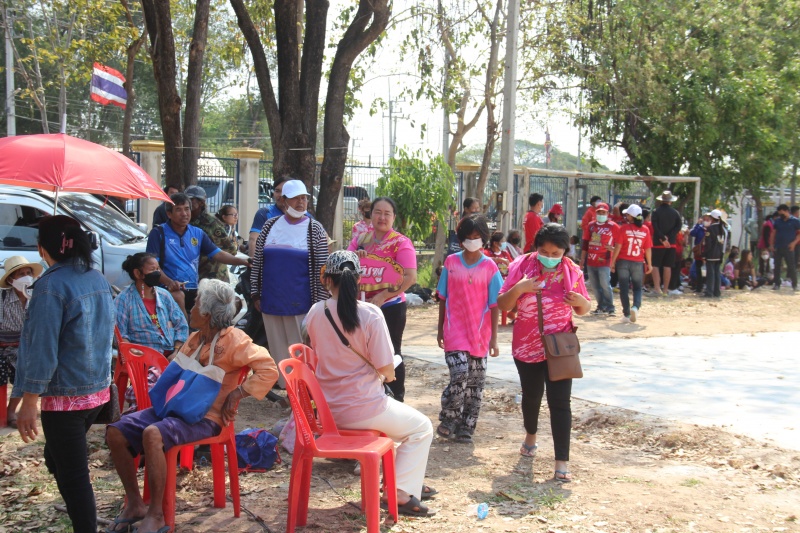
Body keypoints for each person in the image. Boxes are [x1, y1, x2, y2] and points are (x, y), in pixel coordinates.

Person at [106, 279, 279, 533]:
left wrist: (237, 393)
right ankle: (134, 504)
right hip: (173, 408)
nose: (191, 308)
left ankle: (157, 514)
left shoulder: (235, 341)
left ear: (207, 314)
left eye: (196, 304)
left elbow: (269, 369)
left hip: (207, 418)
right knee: (115, 432)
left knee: (153, 434)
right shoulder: (196, 338)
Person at [303, 251, 435, 517]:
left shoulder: (315, 312)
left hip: (328, 412)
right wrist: (386, 373)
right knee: (421, 428)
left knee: (405, 426)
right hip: (364, 408)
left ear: (327, 279)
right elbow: (386, 369)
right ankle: (400, 492)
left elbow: (313, 350)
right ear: (358, 279)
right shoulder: (370, 314)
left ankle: (404, 481)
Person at [12, 216, 115, 533]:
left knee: (73, 475)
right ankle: (81, 514)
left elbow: (42, 349)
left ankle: (85, 525)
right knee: (59, 461)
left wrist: (29, 401)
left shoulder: (50, 287)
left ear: (41, 249)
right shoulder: (96, 278)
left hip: (66, 397)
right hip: (96, 392)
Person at [497, 223, 590, 482]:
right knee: (532, 396)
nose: (549, 257)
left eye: (555, 253)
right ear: (536, 248)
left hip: (560, 348)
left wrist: (581, 302)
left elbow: (584, 308)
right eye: (544, 252)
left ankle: (562, 463)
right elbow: (502, 303)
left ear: (565, 251)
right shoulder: (521, 266)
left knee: (560, 403)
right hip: (526, 346)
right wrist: (520, 288)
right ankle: (531, 436)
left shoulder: (572, 270)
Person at [251, 180, 328, 388]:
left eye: (304, 198)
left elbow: (322, 269)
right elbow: (258, 262)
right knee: (279, 354)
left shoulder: (315, 229)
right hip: (271, 302)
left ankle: (306, 392)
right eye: (296, 198)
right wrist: (256, 293)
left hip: (302, 304)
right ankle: (289, 393)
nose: (301, 202)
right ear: (284, 200)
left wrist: (319, 304)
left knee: (302, 352)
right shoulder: (270, 226)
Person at [436, 215, 502, 443]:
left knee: (475, 382)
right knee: (460, 373)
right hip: (454, 330)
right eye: (468, 237)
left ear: (484, 238)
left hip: (480, 333)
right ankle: (449, 417)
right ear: (461, 238)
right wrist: (440, 329)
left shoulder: (490, 267)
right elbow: (442, 297)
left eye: (477, 237)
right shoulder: (451, 263)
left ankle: (467, 426)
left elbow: (495, 304)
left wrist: (494, 339)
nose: (472, 241)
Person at [347, 197, 417, 401]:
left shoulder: (401, 243)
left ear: (394, 217)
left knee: (391, 352)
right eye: (378, 212)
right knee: (363, 352)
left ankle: (396, 398)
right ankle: (369, 396)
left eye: (387, 213)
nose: (382, 217)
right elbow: (344, 266)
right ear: (371, 214)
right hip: (361, 307)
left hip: (390, 307)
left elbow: (410, 277)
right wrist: (355, 258)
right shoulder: (361, 240)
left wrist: (383, 296)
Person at [146, 193, 249, 317]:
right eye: (178, 210)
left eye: (187, 209)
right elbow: (152, 266)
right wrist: (169, 283)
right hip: (168, 290)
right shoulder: (158, 233)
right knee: (181, 313)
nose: (184, 213)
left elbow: (218, 254)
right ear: (169, 214)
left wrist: (244, 261)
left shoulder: (197, 233)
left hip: (194, 288)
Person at [115, 253, 188, 355]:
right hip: (143, 359)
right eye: (152, 269)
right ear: (137, 273)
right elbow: (120, 335)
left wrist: (176, 352)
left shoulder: (164, 296)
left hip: (172, 357)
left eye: (158, 269)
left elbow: (181, 326)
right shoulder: (123, 300)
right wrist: (138, 355)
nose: (157, 273)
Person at [0, 256, 43, 428]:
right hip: (4, 346)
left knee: (27, 367)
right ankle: (6, 412)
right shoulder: (2, 298)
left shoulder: (36, 297)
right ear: (11, 280)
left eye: (28, 273)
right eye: (21, 274)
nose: (26, 277)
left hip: (26, 346)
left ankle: (12, 410)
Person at [185, 185, 239, 282]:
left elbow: (231, 249)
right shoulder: (185, 221)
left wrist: (209, 253)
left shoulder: (211, 224)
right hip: (193, 276)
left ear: (201, 202)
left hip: (214, 277)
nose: (187, 203)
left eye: (191, 200)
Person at [610, 204, 652, 323]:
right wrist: (650, 264)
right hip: (638, 262)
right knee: (637, 288)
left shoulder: (623, 228)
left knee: (624, 288)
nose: (626, 216)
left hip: (623, 262)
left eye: (627, 214)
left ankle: (627, 314)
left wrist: (613, 262)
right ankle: (635, 307)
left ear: (631, 216)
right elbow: (648, 248)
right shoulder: (645, 229)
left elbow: (618, 246)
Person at [581, 202, 618, 315]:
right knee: (595, 286)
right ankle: (601, 306)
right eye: (599, 212)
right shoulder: (591, 225)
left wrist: (613, 249)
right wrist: (582, 259)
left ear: (608, 213)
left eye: (603, 212)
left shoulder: (613, 226)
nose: (601, 214)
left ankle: (610, 307)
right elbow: (585, 243)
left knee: (605, 284)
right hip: (591, 260)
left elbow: (620, 243)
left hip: (605, 260)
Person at [650, 190, 683, 295]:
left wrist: (662, 238)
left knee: (655, 265)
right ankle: (665, 290)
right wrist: (668, 237)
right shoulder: (675, 213)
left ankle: (657, 288)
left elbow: (655, 226)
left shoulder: (656, 212)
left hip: (658, 242)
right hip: (671, 243)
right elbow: (678, 226)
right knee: (667, 266)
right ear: (671, 201)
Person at [769, 204, 800, 291]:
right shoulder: (778, 221)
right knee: (777, 266)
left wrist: (794, 243)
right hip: (778, 246)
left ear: (786, 211)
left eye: (782, 213)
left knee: (791, 266)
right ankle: (777, 284)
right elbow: (773, 233)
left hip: (789, 247)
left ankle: (794, 284)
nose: (780, 215)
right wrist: (771, 245)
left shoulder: (795, 221)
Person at [701, 209, 728, 298]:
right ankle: (717, 292)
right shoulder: (723, 229)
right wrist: (722, 253)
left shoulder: (710, 229)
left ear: (712, 218)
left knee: (710, 274)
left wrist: (704, 254)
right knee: (717, 274)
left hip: (711, 254)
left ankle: (709, 292)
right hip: (719, 254)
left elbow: (708, 244)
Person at [689, 217, 706, 293]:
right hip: (699, 252)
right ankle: (699, 287)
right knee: (698, 270)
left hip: (708, 252)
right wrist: (697, 224)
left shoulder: (711, 228)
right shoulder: (700, 228)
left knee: (708, 270)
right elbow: (692, 233)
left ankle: (708, 286)